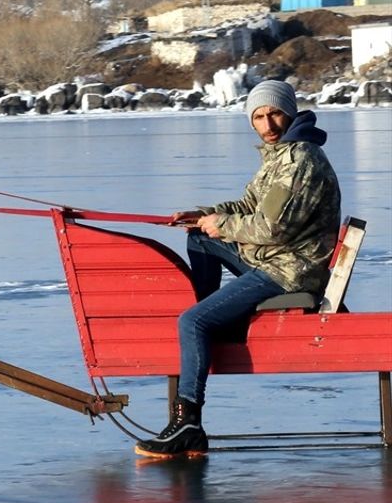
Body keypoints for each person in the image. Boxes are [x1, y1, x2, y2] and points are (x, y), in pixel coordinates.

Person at [135, 80, 341, 460]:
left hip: (290, 269)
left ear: (290, 112)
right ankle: (217, 317)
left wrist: (222, 225)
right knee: (200, 238)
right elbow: (248, 203)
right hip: (277, 257)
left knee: (191, 322)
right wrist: (203, 215)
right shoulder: (279, 155)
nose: (268, 123)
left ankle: (189, 424)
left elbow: (272, 227)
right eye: (259, 116)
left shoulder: (299, 160)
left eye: (275, 113)